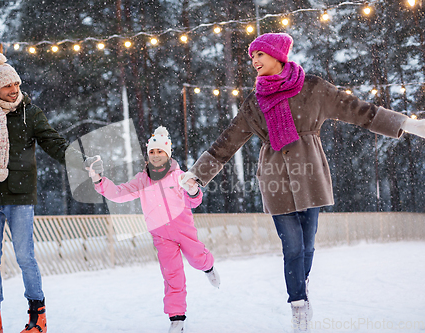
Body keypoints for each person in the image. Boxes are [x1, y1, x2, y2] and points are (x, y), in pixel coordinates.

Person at [178, 33, 425, 332]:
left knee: (308, 246)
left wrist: (406, 124)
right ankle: (298, 303)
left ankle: (301, 284)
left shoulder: (313, 88)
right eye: (251, 56)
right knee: (292, 246)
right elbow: (227, 141)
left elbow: (359, 111)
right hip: (275, 179)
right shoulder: (254, 103)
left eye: (259, 55)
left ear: (277, 55)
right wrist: (197, 175)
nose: (254, 61)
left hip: (310, 176)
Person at [0, 51, 102, 333]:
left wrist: (82, 162)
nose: (14, 89)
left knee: (25, 257)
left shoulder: (30, 113)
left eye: (16, 83)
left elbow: (55, 144)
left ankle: (37, 318)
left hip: (19, 196)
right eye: (7, 85)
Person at [87, 126, 220, 333]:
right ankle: (177, 319)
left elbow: (195, 201)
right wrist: (98, 180)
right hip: (161, 235)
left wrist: (193, 190)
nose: (156, 156)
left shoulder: (179, 176)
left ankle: (208, 267)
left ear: (168, 153)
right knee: (172, 274)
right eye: (152, 152)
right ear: (147, 155)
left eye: (160, 152)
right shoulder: (142, 179)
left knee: (197, 259)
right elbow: (119, 193)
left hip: (184, 230)